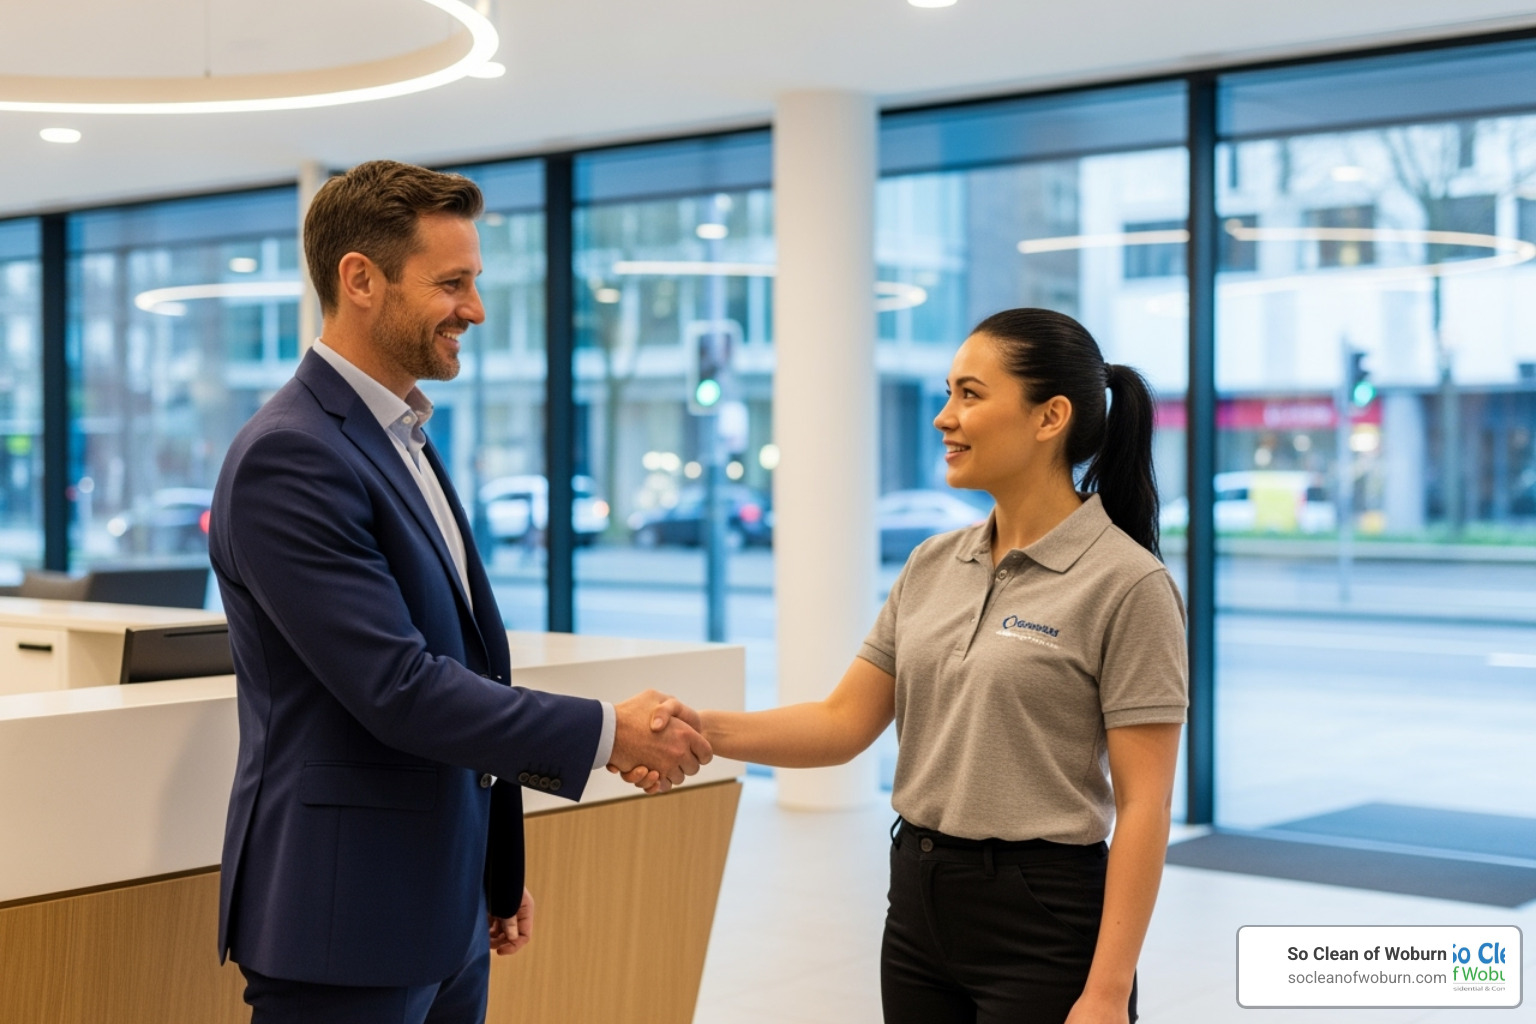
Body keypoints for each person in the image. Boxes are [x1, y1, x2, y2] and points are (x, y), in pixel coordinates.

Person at [209, 159, 709, 1024]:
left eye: (474, 282)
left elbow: (465, 660)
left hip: (442, 910)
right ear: (359, 279)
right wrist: (606, 730)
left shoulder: (401, 432)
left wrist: (493, 870)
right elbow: (398, 687)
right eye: (452, 283)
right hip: (344, 922)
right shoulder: (290, 454)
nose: (475, 310)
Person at [626, 308, 1187, 1024]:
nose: (944, 418)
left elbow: (1145, 807)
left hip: (1044, 920)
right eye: (949, 393)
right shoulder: (931, 564)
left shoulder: (1127, 584)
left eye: (971, 395)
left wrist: (1108, 991)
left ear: (1050, 417)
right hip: (919, 906)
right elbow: (840, 723)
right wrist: (695, 727)